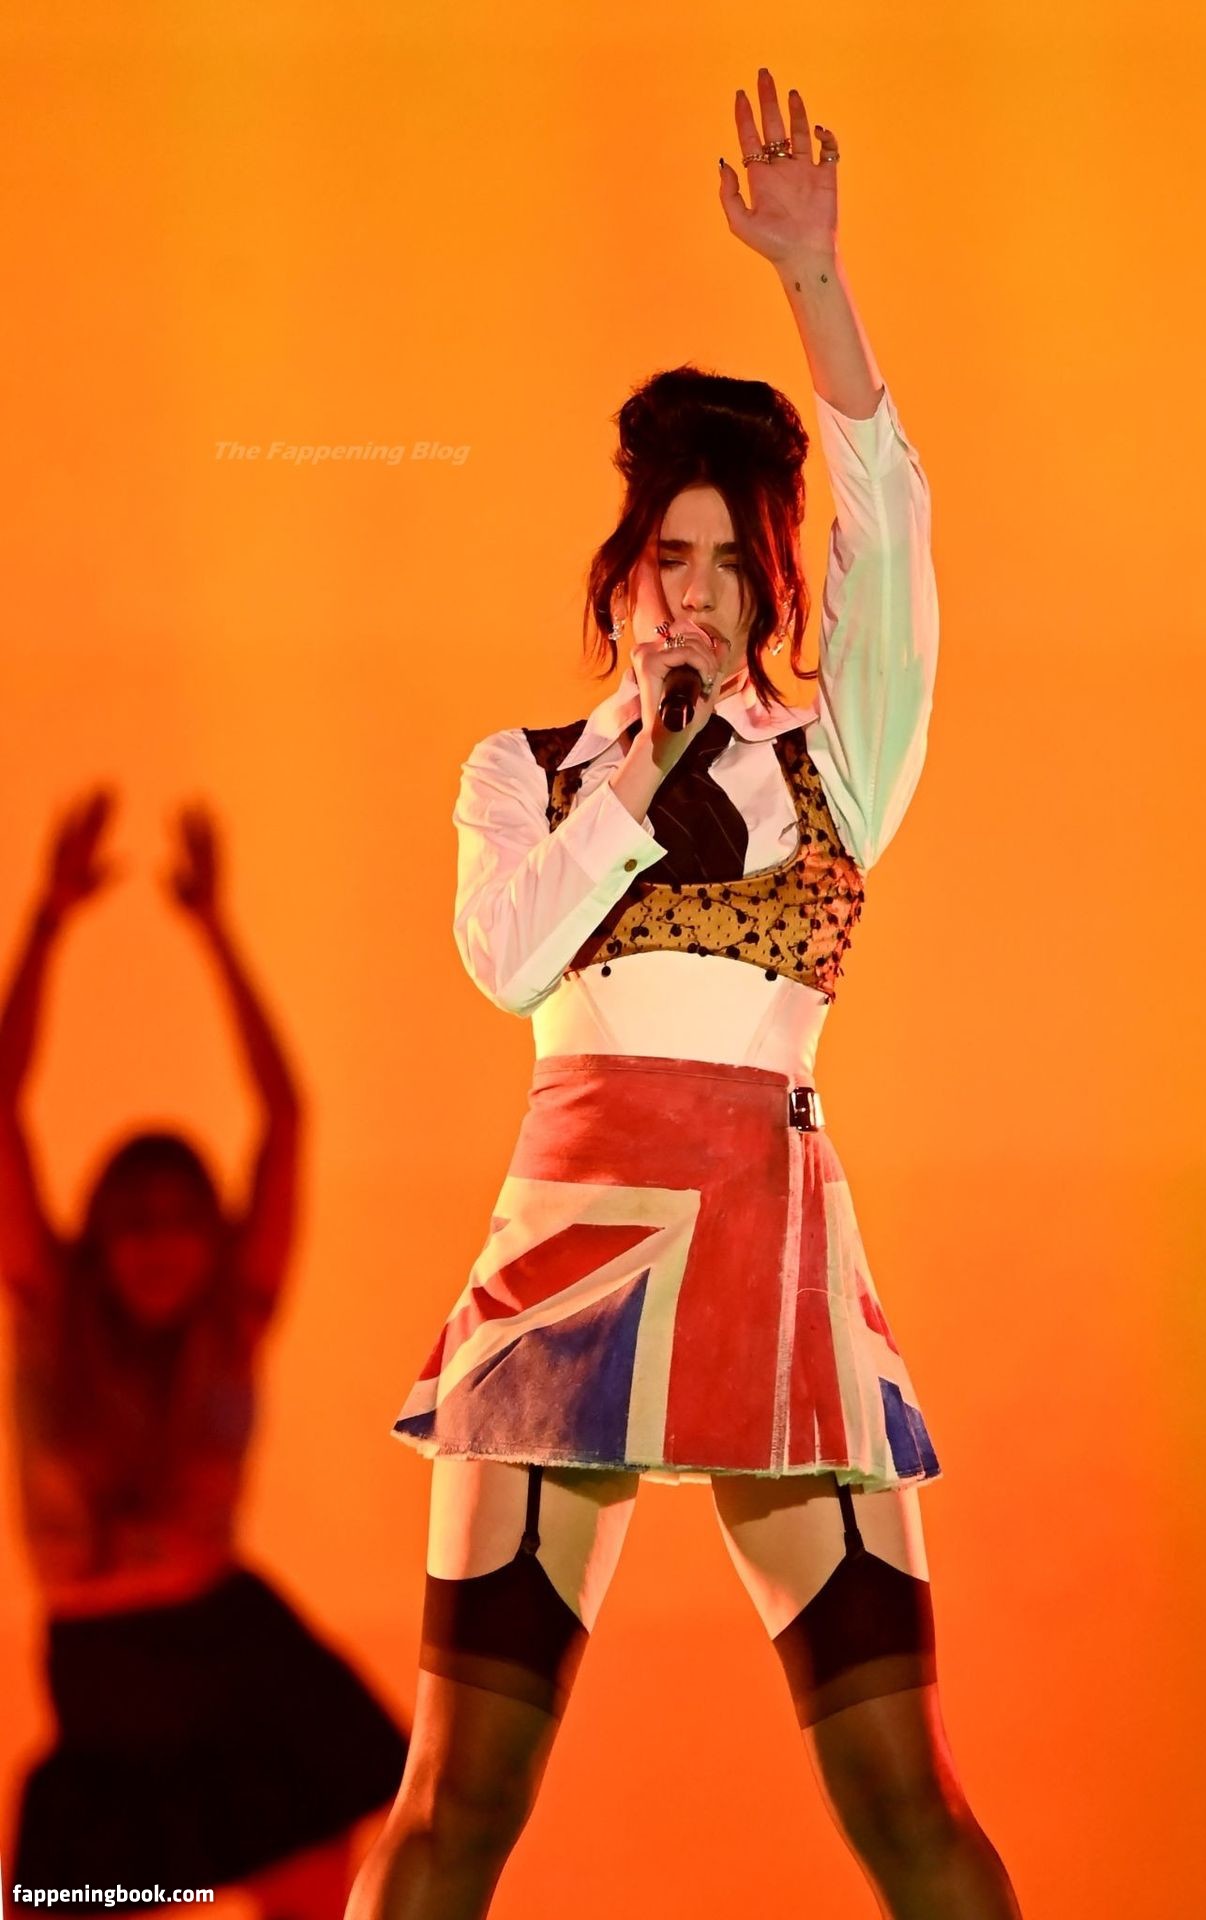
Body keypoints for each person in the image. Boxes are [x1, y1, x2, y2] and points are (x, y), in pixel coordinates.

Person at [347, 69, 1021, 1920]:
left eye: (734, 565)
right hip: (566, 1262)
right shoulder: (528, 772)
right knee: (452, 1806)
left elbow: (896, 525)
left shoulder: (836, 757)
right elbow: (506, 961)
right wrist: (634, 769)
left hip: (770, 1259)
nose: (701, 596)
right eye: (672, 560)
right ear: (623, 573)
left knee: (908, 1801)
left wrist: (815, 281)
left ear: (771, 581)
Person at [0, 790, 407, 1919]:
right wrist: (46, 923)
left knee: (309, 1893)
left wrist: (218, 934)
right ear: (96, 1239)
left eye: (185, 1220)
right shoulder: (51, 1315)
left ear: (216, 1238)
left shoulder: (232, 1322)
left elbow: (285, 1119)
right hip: (102, 1681)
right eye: (135, 1222)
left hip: (231, 1658)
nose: (159, 1247)